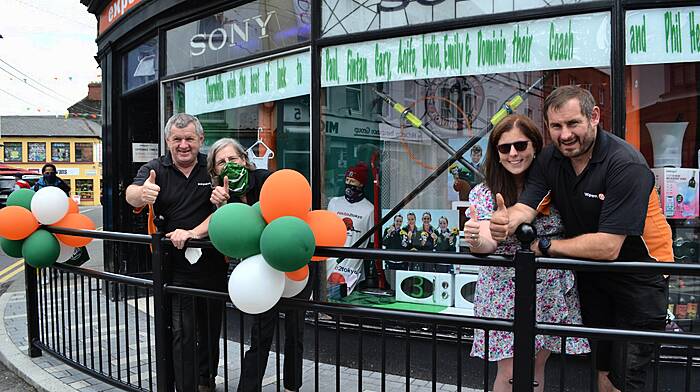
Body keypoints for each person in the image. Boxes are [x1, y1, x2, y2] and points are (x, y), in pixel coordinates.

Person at [489, 86, 673, 392]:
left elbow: (608, 247)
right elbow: (526, 206)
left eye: (573, 124)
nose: (565, 135)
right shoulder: (550, 159)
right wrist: (503, 222)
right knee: (601, 375)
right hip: (592, 279)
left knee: (623, 382)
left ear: (594, 117)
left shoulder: (625, 164)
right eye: (556, 126)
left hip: (639, 281)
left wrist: (545, 246)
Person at [463, 114, 590, 392]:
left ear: (535, 147)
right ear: (495, 153)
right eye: (504, 147)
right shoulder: (484, 193)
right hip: (503, 292)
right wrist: (474, 239)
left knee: (536, 368)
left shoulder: (555, 186)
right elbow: (487, 241)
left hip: (549, 290)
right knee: (509, 371)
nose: (513, 153)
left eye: (520, 146)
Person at [126, 113, 226, 392]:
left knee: (210, 328)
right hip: (174, 267)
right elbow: (131, 194)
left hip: (212, 263)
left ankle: (206, 379)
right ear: (168, 141)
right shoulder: (156, 167)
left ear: (200, 140)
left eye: (189, 139)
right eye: (177, 139)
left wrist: (224, 199)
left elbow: (231, 204)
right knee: (182, 331)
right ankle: (185, 386)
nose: (183, 145)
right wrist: (142, 193)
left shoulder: (212, 167)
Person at [206, 138, 310, 392]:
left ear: (244, 160)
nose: (228, 165)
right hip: (261, 272)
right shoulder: (221, 195)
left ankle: (292, 385)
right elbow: (229, 234)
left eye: (233, 159)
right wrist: (220, 206)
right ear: (215, 171)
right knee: (260, 332)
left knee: (295, 330)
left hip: (291, 259)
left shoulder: (265, 180)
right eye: (221, 162)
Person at [327, 163, 375, 294]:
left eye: (353, 181)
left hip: (352, 267)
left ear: (361, 184)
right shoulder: (334, 203)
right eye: (347, 180)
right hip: (330, 261)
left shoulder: (370, 209)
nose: (349, 184)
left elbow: (372, 242)